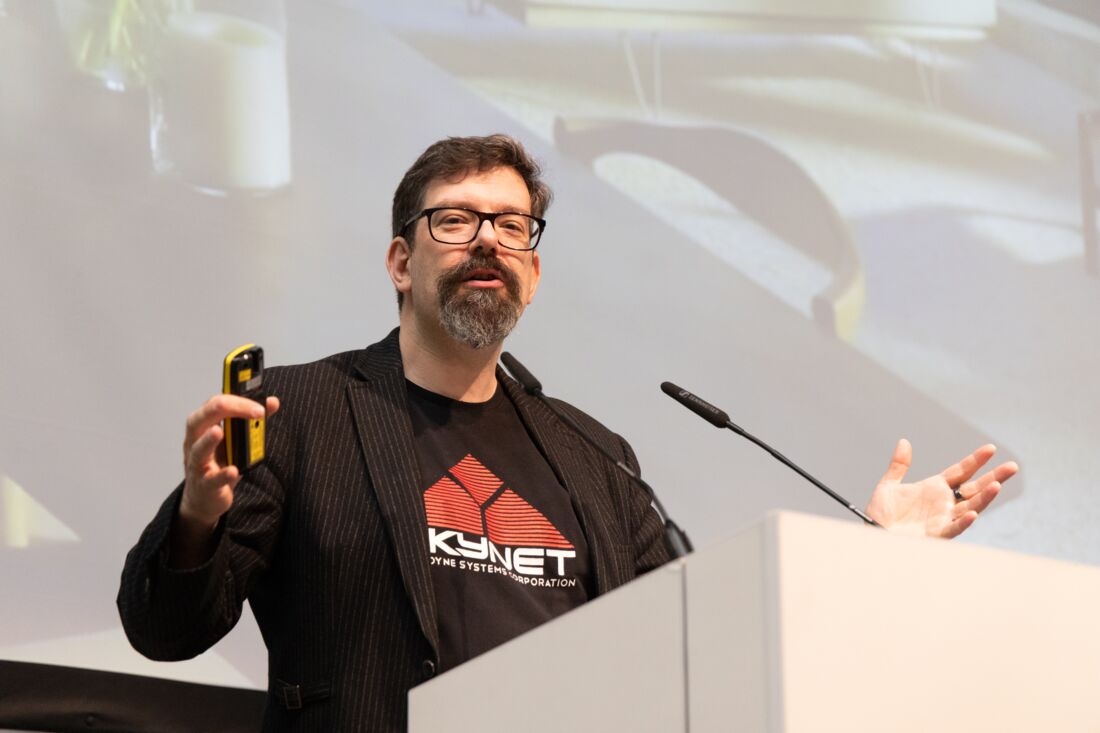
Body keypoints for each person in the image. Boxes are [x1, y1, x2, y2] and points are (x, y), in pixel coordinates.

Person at [118, 134, 1018, 731]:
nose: (487, 241)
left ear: (534, 273)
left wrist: (871, 559)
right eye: (455, 220)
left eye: (512, 226)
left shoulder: (594, 455)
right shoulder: (301, 410)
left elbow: (701, 640)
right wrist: (198, 515)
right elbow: (165, 629)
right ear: (400, 261)